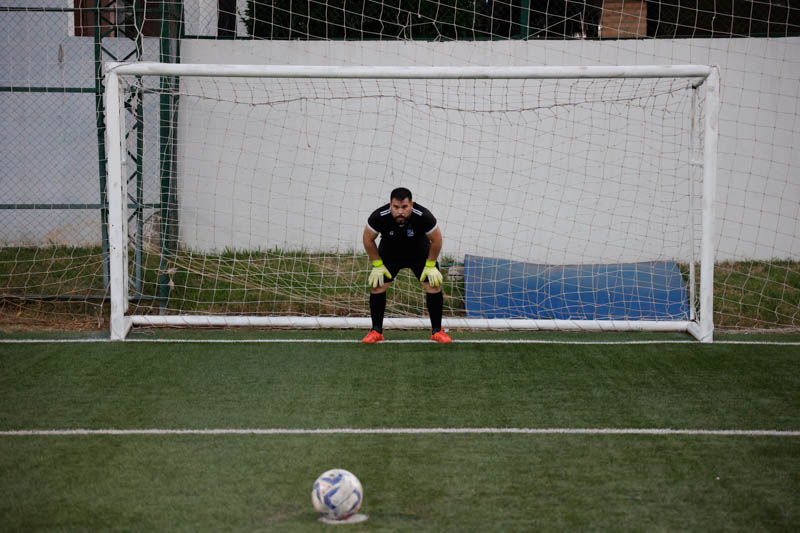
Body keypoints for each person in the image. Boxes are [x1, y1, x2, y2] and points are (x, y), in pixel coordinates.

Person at [362, 187, 452, 344]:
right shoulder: (379, 216)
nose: (400, 212)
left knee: (433, 285)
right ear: (390, 205)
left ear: (411, 204)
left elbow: (437, 240)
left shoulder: (424, 216)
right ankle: (376, 331)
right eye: (395, 207)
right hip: (391, 255)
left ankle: (437, 331)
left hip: (419, 254)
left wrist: (430, 265)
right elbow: (367, 239)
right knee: (378, 286)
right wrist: (377, 264)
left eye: (404, 207)